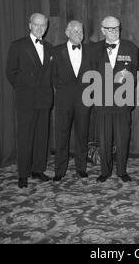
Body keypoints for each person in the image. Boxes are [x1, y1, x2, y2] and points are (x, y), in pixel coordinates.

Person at [6, 13, 53, 188]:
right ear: (30, 25)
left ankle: (38, 169)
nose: (40, 28)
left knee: (42, 136)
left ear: (46, 27)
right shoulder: (17, 45)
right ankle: (23, 174)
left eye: (43, 25)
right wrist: (25, 88)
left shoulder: (49, 47)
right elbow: (11, 72)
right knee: (25, 137)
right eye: (36, 24)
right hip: (26, 100)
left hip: (44, 100)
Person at [91, 16, 139, 182]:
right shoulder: (94, 49)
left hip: (123, 101)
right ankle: (105, 171)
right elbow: (90, 75)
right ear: (102, 30)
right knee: (104, 140)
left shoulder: (131, 48)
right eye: (110, 29)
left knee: (122, 137)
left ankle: (122, 171)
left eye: (117, 28)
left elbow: (135, 74)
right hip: (102, 102)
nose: (114, 32)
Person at [52, 21, 93, 182]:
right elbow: (53, 75)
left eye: (80, 31)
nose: (78, 33)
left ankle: (81, 168)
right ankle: (60, 170)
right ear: (67, 32)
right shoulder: (56, 51)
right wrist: (63, 91)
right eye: (74, 30)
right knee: (62, 135)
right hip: (64, 100)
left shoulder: (90, 50)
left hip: (84, 99)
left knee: (82, 135)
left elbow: (96, 73)